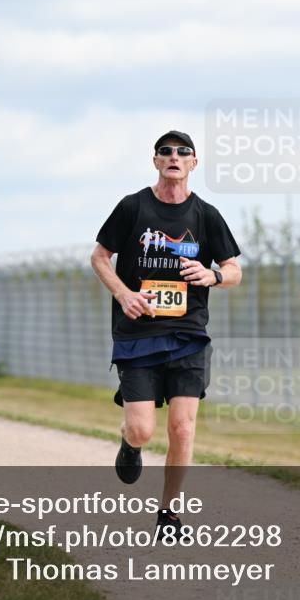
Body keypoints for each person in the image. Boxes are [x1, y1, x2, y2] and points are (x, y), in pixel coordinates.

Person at [91, 130, 242, 540]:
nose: (174, 157)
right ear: (156, 161)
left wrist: (212, 275)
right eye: (166, 152)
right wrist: (123, 294)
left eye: (183, 152)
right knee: (142, 428)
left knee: (183, 428)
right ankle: (131, 442)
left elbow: (234, 269)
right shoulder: (132, 207)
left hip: (189, 333)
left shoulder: (205, 215)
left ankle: (169, 513)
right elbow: (100, 257)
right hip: (138, 333)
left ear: (194, 163)